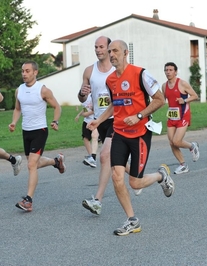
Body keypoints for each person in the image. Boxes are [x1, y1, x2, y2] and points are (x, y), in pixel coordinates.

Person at [87, 40, 175, 236]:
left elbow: (160, 99)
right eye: (109, 51)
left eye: (115, 50)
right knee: (117, 176)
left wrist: (139, 116)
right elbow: (114, 105)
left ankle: (161, 175)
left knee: (135, 182)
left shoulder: (140, 73)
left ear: (126, 53)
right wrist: (99, 120)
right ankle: (132, 219)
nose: (111, 54)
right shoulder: (110, 80)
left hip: (140, 133)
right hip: (119, 132)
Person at [9, 61, 66, 211]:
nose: (24, 74)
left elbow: (57, 106)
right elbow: (17, 108)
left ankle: (28, 201)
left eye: (27, 71)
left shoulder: (43, 90)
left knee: (31, 165)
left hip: (40, 130)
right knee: (34, 163)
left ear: (35, 72)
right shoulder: (19, 90)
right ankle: (56, 161)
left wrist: (55, 120)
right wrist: (14, 122)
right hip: (25, 131)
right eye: (22, 71)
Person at [78, 36, 116, 215]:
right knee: (116, 162)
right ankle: (147, 177)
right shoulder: (89, 71)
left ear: (109, 49)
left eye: (101, 47)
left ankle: (97, 200)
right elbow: (82, 97)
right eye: (96, 47)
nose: (98, 50)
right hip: (99, 119)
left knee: (104, 156)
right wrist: (82, 93)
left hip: (117, 119)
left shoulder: (117, 70)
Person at [161, 62, 200, 174]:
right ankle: (183, 165)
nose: (168, 72)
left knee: (177, 141)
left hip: (183, 115)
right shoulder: (164, 86)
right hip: (171, 116)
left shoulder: (182, 84)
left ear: (175, 71)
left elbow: (195, 96)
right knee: (172, 142)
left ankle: (192, 146)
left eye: (170, 70)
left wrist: (185, 100)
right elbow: (163, 100)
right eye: (166, 70)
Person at [75, 93, 99, 168]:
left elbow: (97, 108)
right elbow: (85, 108)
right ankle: (91, 156)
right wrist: (79, 115)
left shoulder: (94, 94)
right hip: (86, 121)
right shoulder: (85, 97)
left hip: (95, 120)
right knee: (86, 138)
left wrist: (88, 113)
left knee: (94, 136)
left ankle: (93, 157)